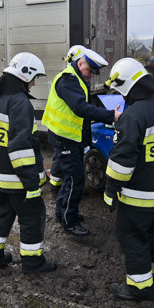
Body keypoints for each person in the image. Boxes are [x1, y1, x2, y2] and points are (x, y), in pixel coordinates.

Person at [103, 58, 154, 300]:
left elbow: (121, 163)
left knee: (133, 238)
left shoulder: (132, 116)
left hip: (138, 199)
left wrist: (110, 191)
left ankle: (139, 288)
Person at [0, 52, 56, 274]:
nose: (33, 83)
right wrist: (32, 184)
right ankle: (33, 263)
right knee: (32, 217)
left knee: (2, 213)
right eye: (33, 78)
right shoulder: (20, 103)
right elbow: (19, 148)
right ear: (25, 75)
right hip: (18, 180)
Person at [42, 47, 121, 236]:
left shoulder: (75, 78)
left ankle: (64, 213)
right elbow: (79, 107)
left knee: (70, 178)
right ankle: (70, 221)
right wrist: (111, 115)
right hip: (65, 138)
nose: (91, 76)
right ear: (80, 64)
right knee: (75, 179)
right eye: (89, 71)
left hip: (70, 137)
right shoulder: (68, 79)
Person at [47, 45, 87, 199]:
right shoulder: (67, 79)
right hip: (62, 132)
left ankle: (61, 187)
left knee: (64, 161)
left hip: (65, 130)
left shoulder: (72, 77)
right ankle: (56, 187)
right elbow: (78, 106)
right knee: (60, 160)